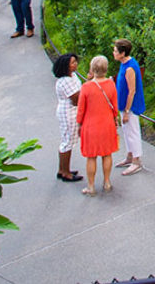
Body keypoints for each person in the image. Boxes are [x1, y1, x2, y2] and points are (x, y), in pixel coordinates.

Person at [77, 55, 118, 196]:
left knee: (91, 156)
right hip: (107, 124)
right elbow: (115, 106)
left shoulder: (86, 87)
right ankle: (107, 182)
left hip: (91, 125)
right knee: (107, 154)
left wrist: (79, 124)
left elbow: (81, 109)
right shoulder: (111, 84)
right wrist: (115, 118)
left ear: (92, 68)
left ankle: (91, 186)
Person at [113, 39, 146, 176]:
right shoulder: (123, 64)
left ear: (122, 53)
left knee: (132, 131)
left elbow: (132, 91)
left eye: (115, 51)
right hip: (122, 104)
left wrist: (127, 111)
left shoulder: (130, 68)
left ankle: (136, 161)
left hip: (130, 107)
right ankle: (130, 155)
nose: (113, 53)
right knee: (126, 131)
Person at [53, 53, 84, 183]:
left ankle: (63, 169)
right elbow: (76, 99)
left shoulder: (73, 76)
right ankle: (65, 172)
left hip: (71, 111)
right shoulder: (65, 81)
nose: (75, 64)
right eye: (72, 63)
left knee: (68, 140)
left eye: (75, 62)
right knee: (68, 142)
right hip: (68, 112)